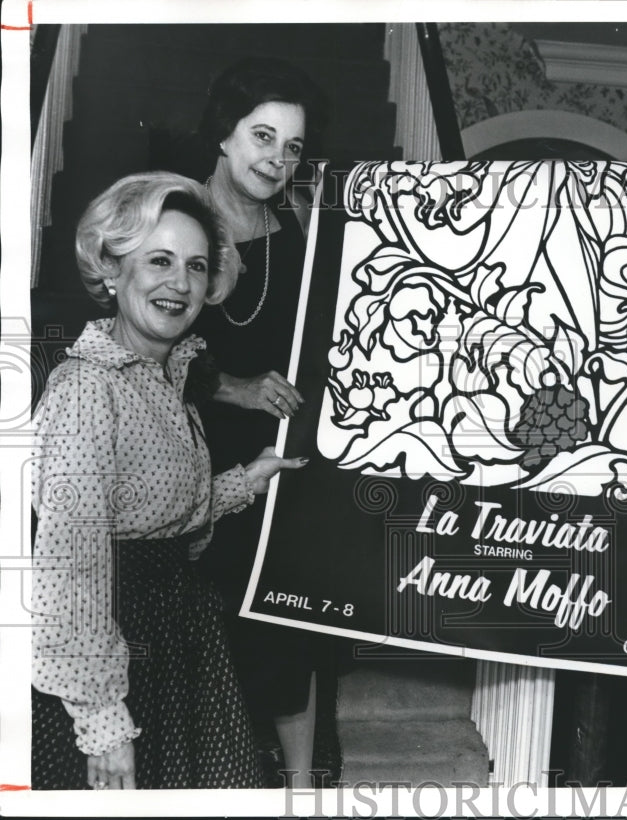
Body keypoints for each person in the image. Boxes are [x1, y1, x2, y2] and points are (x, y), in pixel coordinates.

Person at [31, 172, 308, 789]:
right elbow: (70, 569)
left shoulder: (163, 379)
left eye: (196, 265)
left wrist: (249, 479)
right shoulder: (86, 389)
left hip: (177, 643)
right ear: (112, 270)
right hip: (116, 656)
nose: (179, 283)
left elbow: (163, 508)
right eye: (158, 260)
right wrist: (103, 724)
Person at [190, 57, 333, 786]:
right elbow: (141, 348)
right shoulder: (173, 219)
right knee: (210, 640)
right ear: (225, 134)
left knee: (287, 629)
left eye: (293, 148)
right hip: (196, 459)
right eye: (263, 136)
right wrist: (237, 388)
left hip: (280, 461)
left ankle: (302, 786)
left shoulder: (294, 228)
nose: (278, 159)